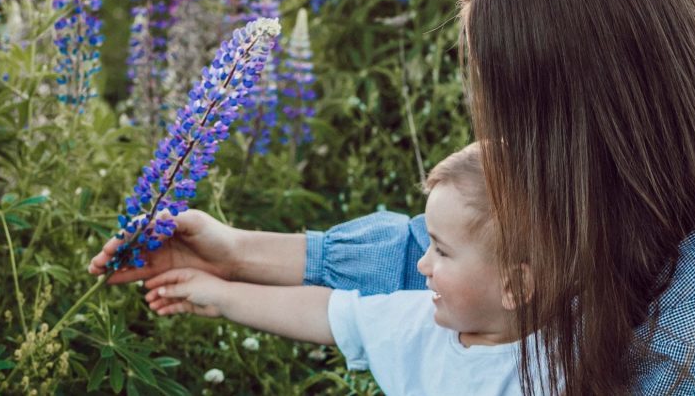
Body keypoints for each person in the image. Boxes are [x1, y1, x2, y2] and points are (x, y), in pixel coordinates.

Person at [92, 0, 695, 393]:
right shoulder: (671, 166)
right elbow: (478, 264)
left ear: (592, 105)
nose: (510, 139)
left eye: (521, 110)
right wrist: (234, 254)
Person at [137, 144, 537, 395]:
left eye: (442, 252)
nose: (422, 262)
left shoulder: (569, 361)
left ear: (515, 286)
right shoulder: (419, 325)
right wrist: (220, 294)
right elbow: (328, 312)